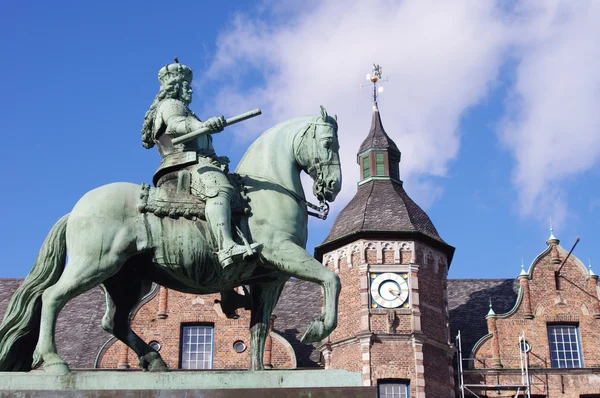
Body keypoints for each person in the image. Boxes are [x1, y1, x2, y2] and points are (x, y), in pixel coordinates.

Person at [140, 58, 259, 268]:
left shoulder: (183, 107)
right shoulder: (171, 105)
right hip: (182, 163)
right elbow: (177, 124)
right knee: (219, 189)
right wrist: (202, 124)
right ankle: (226, 247)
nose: (191, 90)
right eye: (186, 86)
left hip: (195, 161)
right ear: (175, 88)